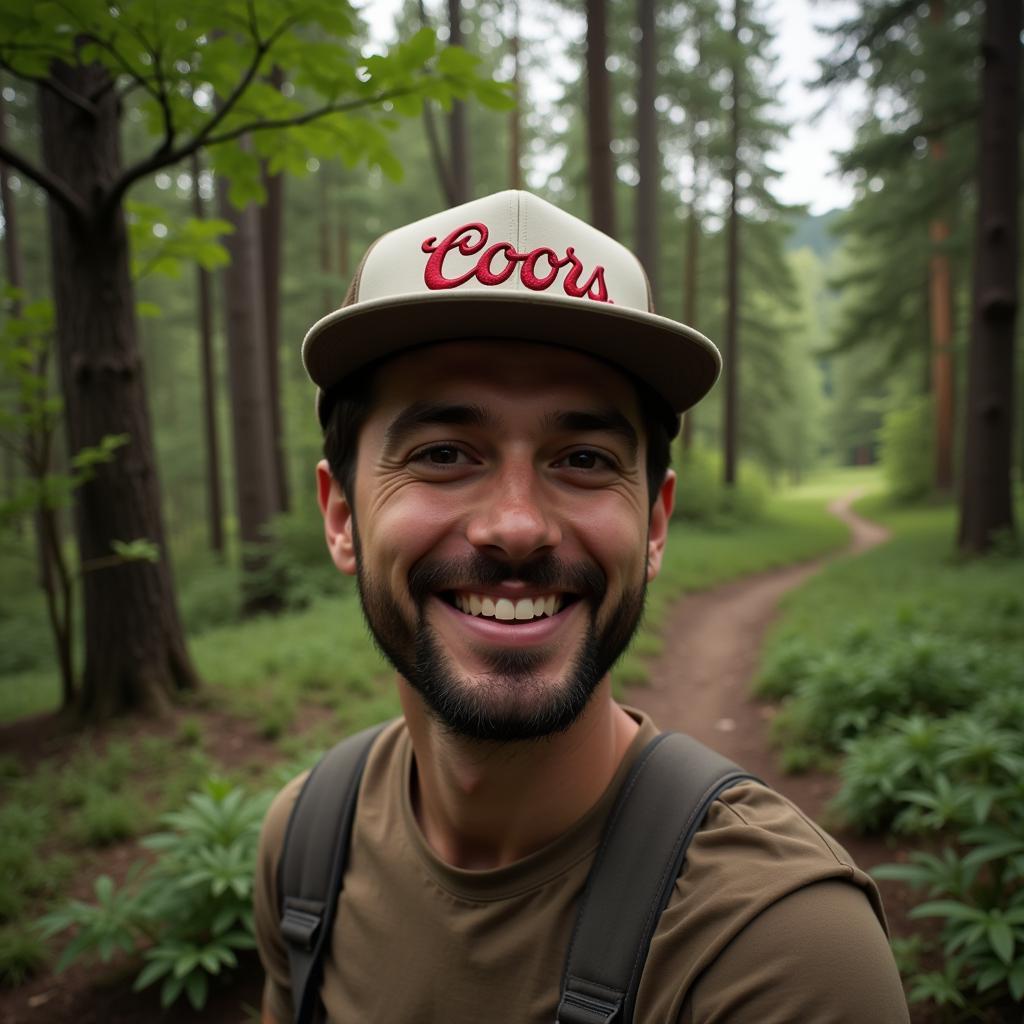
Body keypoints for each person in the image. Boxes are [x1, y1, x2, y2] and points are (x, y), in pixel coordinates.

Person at [254, 189, 909, 1023]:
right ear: (342, 516)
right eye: (445, 453)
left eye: (586, 458)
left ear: (655, 523)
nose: (518, 527)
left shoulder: (784, 952)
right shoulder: (305, 846)